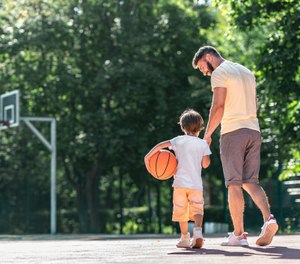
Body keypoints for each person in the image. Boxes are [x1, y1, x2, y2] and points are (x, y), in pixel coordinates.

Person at [192, 45, 278, 246]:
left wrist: (208, 135)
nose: (204, 73)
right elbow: (255, 104)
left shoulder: (220, 73)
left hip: (233, 132)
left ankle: (239, 235)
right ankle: (269, 219)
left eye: (202, 67)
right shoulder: (246, 71)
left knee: (234, 183)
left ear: (208, 57)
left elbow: (219, 106)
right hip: (254, 131)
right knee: (251, 182)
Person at [144, 109, 211, 248]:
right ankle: (198, 232)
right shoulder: (202, 143)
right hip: (196, 185)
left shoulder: (178, 141)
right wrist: (207, 147)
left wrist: (148, 157)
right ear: (200, 127)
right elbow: (205, 165)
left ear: (182, 126)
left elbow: (160, 146)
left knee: (181, 211)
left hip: (180, 183)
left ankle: (185, 238)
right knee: (197, 210)